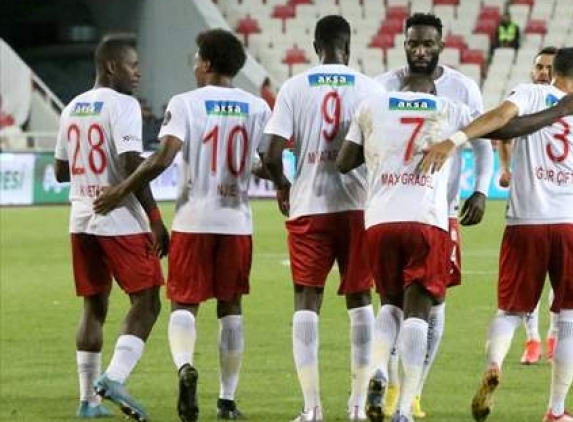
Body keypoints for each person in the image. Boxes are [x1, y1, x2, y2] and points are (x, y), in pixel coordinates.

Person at [421, 47, 573, 422]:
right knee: (568, 317)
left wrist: (455, 140)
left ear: (552, 72)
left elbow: (499, 119)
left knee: (510, 311)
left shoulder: (529, 93)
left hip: (525, 223)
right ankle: (556, 411)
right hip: (571, 223)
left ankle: (495, 364)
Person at [94, 29, 270, 421]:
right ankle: (227, 402)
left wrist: (120, 189)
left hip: (193, 220)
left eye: (196, 58)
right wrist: (283, 184)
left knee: (184, 302)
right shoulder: (257, 107)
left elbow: (162, 159)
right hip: (236, 222)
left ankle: (186, 366)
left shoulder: (186, 103)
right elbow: (267, 163)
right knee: (231, 307)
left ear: (206, 63)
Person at [263, 15, 385, 422]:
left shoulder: (294, 87)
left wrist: (283, 185)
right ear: (348, 48)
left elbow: (270, 152)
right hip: (358, 207)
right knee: (361, 299)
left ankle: (312, 407)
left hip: (309, 207)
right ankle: (356, 406)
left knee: (306, 299)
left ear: (316, 47)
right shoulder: (371, 88)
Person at [337, 73, 479, 422]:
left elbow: (343, 162)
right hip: (425, 220)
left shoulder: (373, 105)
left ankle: (378, 369)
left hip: (380, 221)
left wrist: (382, 152)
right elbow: (501, 126)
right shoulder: (447, 107)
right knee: (418, 311)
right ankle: (403, 409)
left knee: (389, 304)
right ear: (432, 91)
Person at [374, 13, 494, 417]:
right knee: (394, 300)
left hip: (442, 210)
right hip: (395, 207)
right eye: (413, 43)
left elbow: (482, 142)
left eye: (427, 44)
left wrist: (480, 189)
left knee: (433, 302)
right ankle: (394, 390)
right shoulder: (383, 85)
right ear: (404, 45)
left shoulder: (462, 88)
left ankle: (413, 390)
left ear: (441, 45)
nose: (420, 51)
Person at [54, 35, 168, 421]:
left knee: (94, 306)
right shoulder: (123, 104)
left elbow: (60, 170)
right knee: (148, 300)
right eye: (132, 65)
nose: (138, 72)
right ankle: (115, 378)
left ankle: (88, 401)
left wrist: (91, 165)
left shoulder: (72, 107)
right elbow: (133, 163)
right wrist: (155, 218)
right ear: (111, 66)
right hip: (118, 219)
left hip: (80, 217)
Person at [498, 46, 560, 365]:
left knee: (559, 279)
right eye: (539, 67)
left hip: (561, 204)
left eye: (550, 67)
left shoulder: (571, 104)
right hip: (528, 203)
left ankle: (554, 336)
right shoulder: (523, 99)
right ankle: (533, 338)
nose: (543, 73)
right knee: (530, 277)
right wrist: (505, 168)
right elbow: (504, 137)